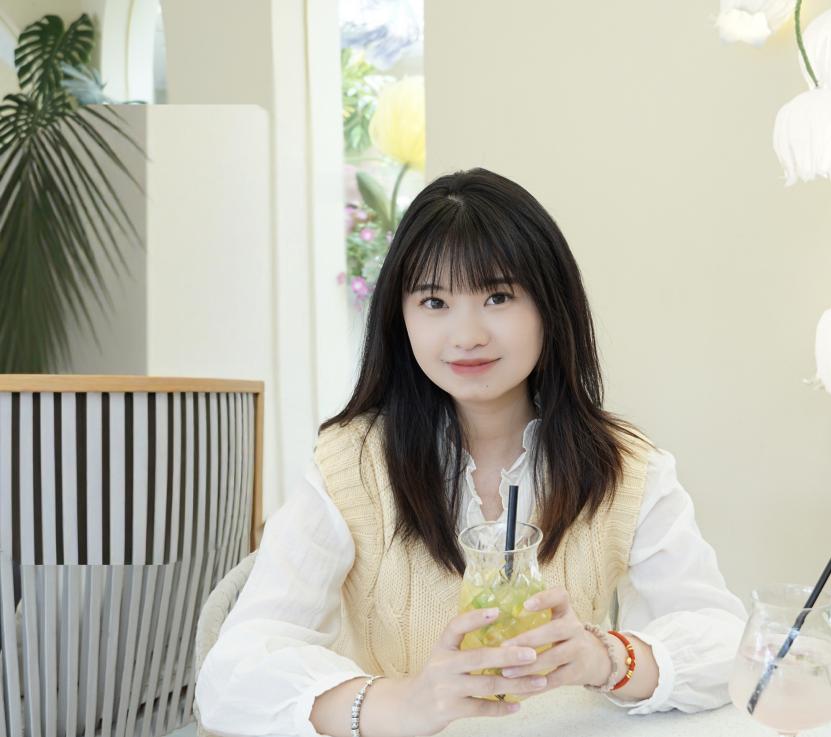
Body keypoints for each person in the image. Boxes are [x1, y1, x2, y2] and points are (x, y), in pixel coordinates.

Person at [194, 167, 747, 737]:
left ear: (550, 305)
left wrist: (604, 658)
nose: (466, 335)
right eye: (434, 301)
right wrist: (406, 703)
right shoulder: (351, 466)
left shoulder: (626, 468)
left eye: (498, 296)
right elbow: (232, 676)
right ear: (400, 318)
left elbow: (731, 645)